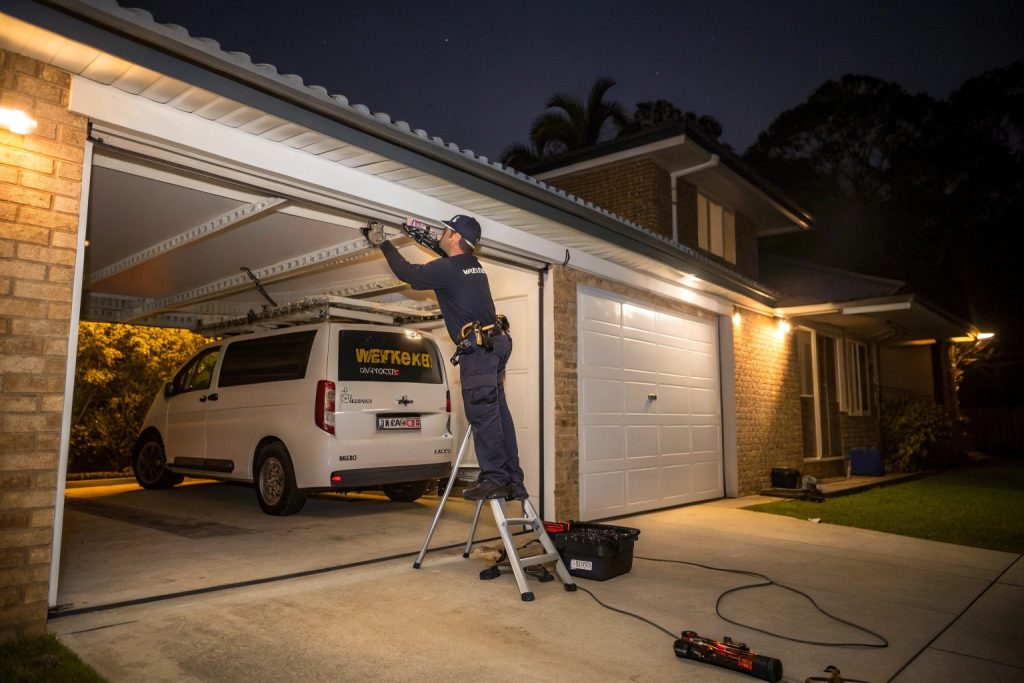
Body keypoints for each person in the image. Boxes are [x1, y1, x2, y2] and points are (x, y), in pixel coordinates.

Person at [372, 215, 527, 501]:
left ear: (455, 238)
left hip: (479, 352)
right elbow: (447, 261)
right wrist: (422, 236)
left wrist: (384, 243)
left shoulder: (449, 269)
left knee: (483, 414)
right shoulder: (473, 266)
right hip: (496, 344)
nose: (442, 234)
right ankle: (513, 481)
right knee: (499, 415)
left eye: (446, 231)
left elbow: (409, 272)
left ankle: (494, 479)